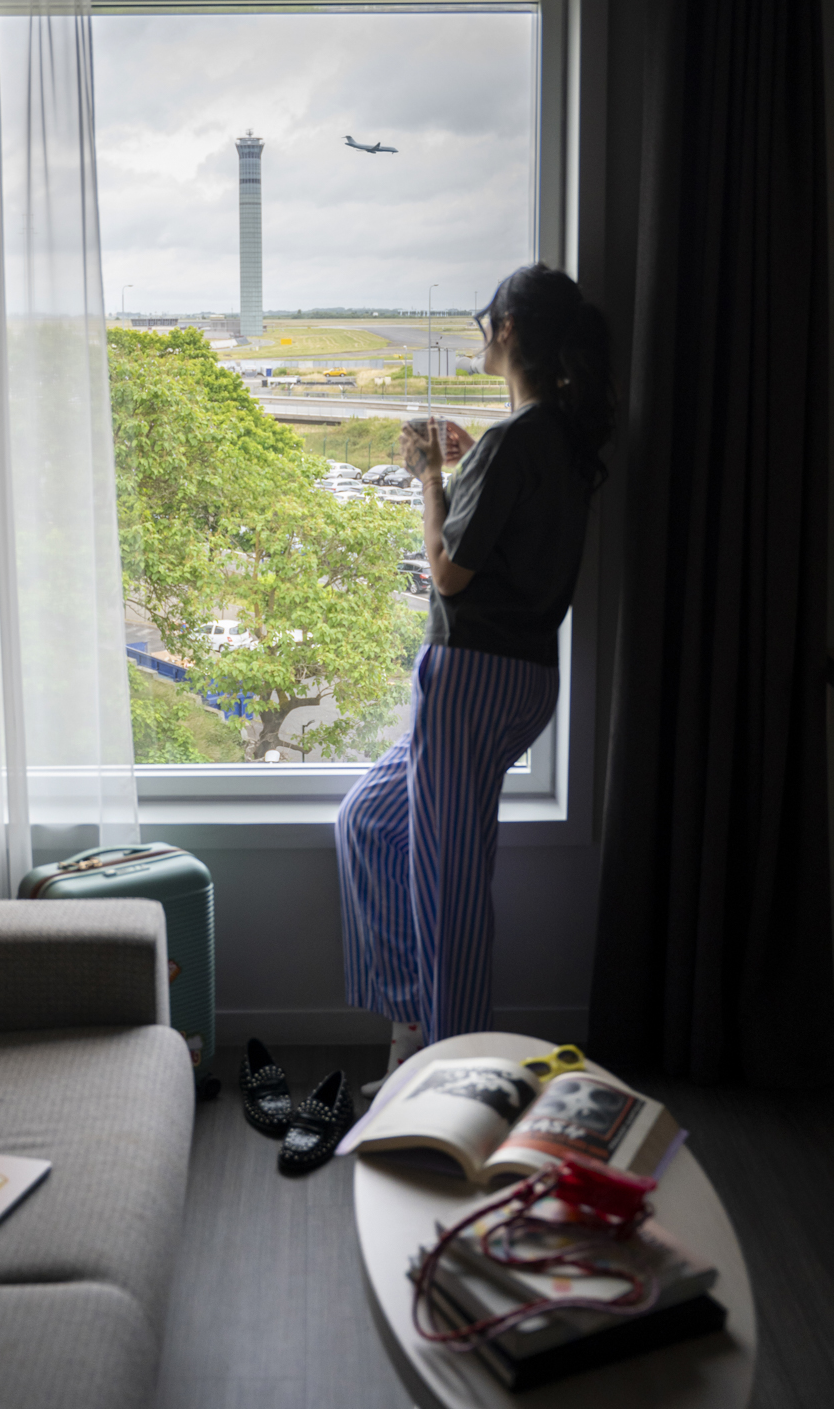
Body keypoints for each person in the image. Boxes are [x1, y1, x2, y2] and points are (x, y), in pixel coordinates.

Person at [335, 264, 615, 1097]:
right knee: (366, 821)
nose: (479, 332)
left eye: (485, 320)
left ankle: (450, 1086)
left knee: (449, 889)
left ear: (509, 331)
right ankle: (416, 1022)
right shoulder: (560, 438)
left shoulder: (517, 442)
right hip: (521, 679)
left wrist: (427, 473)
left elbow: (448, 574)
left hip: (472, 676)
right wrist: (464, 462)